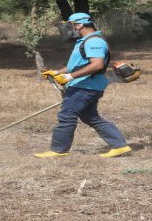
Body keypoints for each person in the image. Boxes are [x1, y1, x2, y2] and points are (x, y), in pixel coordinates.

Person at [35, 12, 131, 158]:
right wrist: (56, 73)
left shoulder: (93, 41)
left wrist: (69, 77)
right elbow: (76, 66)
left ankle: (58, 150)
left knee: (67, 115)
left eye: (71, 26)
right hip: (87, 85)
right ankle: (120, 146)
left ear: (79, 25)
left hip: (86, 86)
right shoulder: (85, 40)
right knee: (90, 117)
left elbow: (97, 65)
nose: (69, 29)